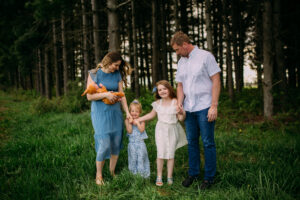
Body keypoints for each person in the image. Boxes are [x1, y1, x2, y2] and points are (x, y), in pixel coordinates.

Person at [171, 31, 221, 189]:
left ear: (185, 45)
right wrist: (179, 103)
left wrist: (214, 105)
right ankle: (193, 173)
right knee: (192, 142)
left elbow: (216, 80)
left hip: (205, 106)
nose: (176, 53)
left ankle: (209, 178)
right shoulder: (181, 62)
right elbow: (180, 85)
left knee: (207, 142)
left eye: (177, 49)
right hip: (189, 108)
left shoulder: (206, 57)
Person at [86, 51, 132, 185]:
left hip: (115, 112)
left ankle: (112, 172)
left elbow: (121, 94)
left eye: (118, 66)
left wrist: (127, 112)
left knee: (116, 142)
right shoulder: (94, 74)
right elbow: (89, 97)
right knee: (104, 143)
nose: (117, 68)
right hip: (100, 113)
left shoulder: (116, 74)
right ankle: (98, 175)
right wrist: (106, 94)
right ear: (108, 62)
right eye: (115, 65)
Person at [137, 80, 187, 186]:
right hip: (160, 130)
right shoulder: (157, 103)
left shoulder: (176, 101)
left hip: (172, 130)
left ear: (169, 89)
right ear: (157, 92)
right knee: (160, 153)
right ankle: (159, 176)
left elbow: (181, 119)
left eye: (164, 88)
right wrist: (140, 119)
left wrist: (182, 113)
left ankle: (169, 177)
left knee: (170, 154)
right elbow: (151, 115)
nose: (162, 91)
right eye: (160, 90)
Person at [124, 100, 150, 178]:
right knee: (133, 159)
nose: (134, 113)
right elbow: (130, 131)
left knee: (141, 158)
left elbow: (141, 130)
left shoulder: (142, 120)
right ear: (129, 111)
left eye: (137, 111)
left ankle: (143, 175)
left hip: (141, 144)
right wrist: (130, 122)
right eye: (132, 111)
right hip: (132, 144)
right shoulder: (127, 120)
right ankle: (133, 175)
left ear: (140, 113)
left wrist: (138, 122)